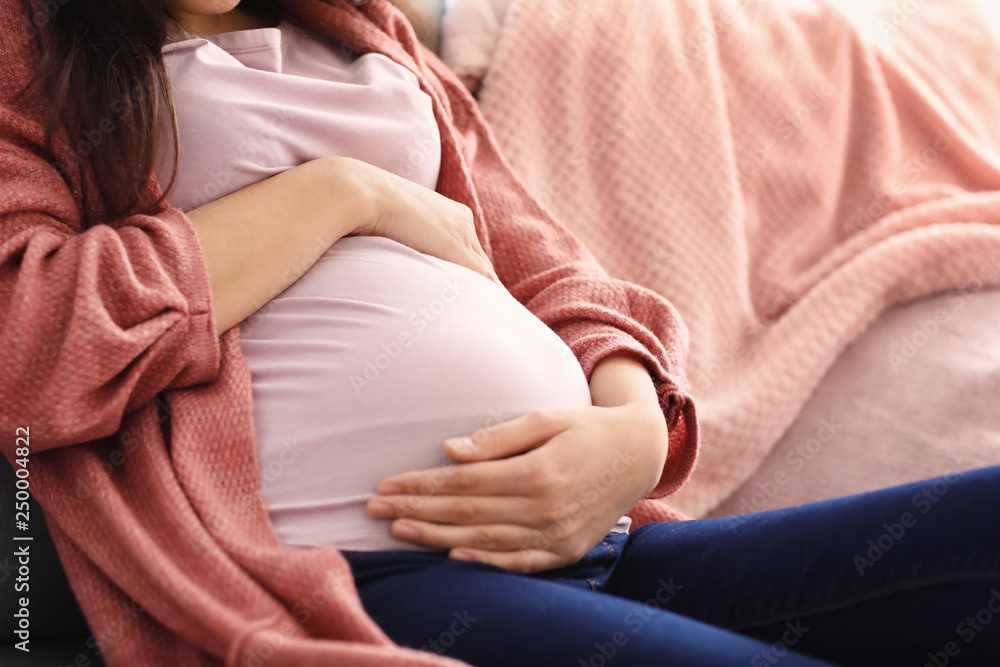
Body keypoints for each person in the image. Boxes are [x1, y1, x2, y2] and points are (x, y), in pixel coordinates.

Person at [1, 0, 998, 665]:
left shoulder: (364, 28)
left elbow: (549, 264)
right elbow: (26, 343)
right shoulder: (30, 52)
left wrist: (631, 425)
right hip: (353, 567)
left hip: (586, 541)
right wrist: (341, 194)